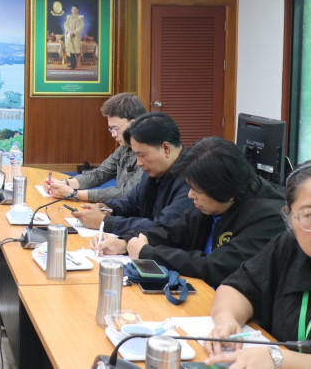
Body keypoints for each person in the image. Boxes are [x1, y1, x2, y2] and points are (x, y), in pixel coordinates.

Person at [93, 137, 285, 286]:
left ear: (223, 189)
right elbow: (173, 230)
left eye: (197, 190)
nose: (191, 195)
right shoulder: (211, 202)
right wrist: (125, 242)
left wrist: (147, 253)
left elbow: (215, 266)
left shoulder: (269, 218)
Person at [205, 162, 311, 368]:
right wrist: (227, 320)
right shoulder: (289, 246)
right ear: (290, 217)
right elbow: (238, 288)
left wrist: (279, 359)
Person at [73, 112, 192, 233]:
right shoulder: (155, 170)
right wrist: (109, 208)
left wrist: (106, 222)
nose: (138, 163)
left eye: (142, 155)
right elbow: (132, 202)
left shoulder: (192, 180)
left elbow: (165, 227)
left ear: (166, 148)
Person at [48, 93, 145, 202]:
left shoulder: (148, 152)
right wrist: (65, 183)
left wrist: (74, 194)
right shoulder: (125, 147)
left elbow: (127, 193)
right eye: (111, 130)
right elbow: (100, 173)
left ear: (133, 124)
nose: (113, 135)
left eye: (116, 129)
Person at [64, 5, 84, 70]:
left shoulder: (80, 18)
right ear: (71, 10)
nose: (73, 10)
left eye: (75, 9)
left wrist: (74, 32)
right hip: (69, 35)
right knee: (70, 50)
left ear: (78, 10)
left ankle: (74, 65)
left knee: (74, 50)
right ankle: (72, 64)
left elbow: (81, 26)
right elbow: (65, 25)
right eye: (72, 9)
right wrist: (69, 31)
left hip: (76, 36)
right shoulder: (69, 17)